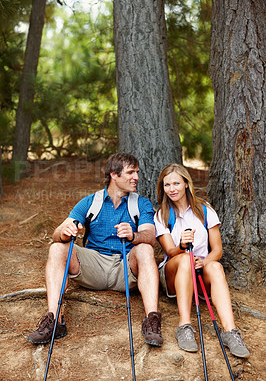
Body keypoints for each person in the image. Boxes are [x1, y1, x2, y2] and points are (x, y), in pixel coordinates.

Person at [28, 153, 163, 347]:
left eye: (137, 172)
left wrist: (133, 235)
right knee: (58, 248)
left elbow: (149, 237)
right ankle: (55, 320)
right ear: (114, 175)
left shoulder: (141, 203)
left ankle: (152, 321)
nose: (137, 177)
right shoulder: (91, 202)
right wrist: (65, 233)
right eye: (131, 172)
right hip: (94, 265)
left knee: (145, 250)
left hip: (125, 268)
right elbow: (57, 232)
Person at [154, 163, 249, 358]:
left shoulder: (204, 210)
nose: (171, 189)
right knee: (184, 259)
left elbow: (217, 250)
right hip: (174, 271)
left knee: (215, 266)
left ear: (186, 184)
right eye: (167, 185)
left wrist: (204, 263)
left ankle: (230, 331)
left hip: (199, 269)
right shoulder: (162, 214)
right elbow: (171, 252)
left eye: (176, 183)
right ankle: (184, 325)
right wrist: (182, 246)